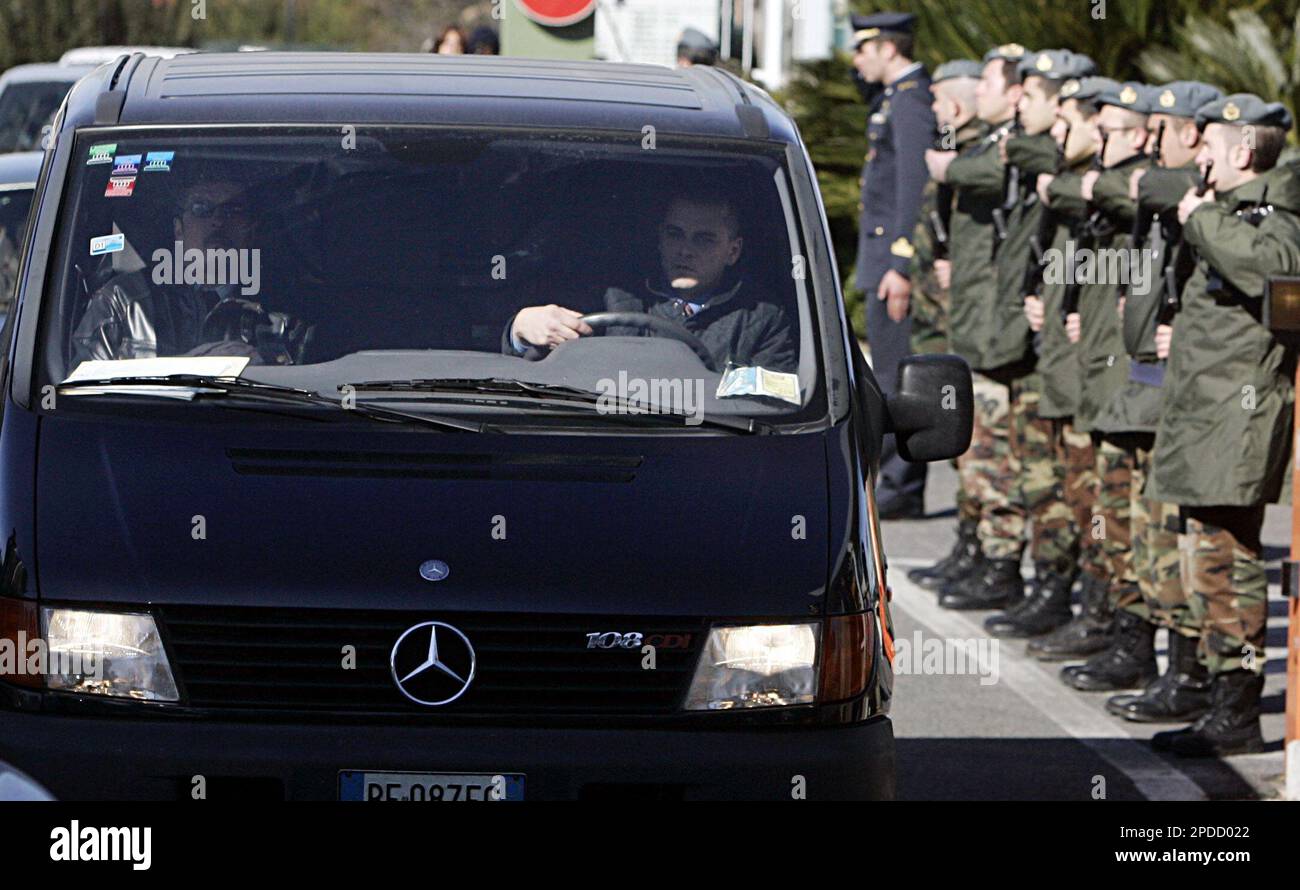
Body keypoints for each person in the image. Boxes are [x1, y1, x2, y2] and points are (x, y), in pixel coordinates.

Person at [1145, 94, 1300, 756]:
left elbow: (1277, 273)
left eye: (1209, 141)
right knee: (1202, 555)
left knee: (1229, 559)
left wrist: (1201, 219)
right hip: (1202, 410)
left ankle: (1236, 710)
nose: (1198, 151)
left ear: (1242, 152)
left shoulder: (1274, 213)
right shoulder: (1231, 210)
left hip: (1237, 412)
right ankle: (1215, 695)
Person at [1095, 82, 1223, 723]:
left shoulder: (1204, 195)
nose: (1150, 143)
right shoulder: (1180, 192)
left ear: (1195, 137)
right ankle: (1158, 655)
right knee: (1147, 531)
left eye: (1161, 130)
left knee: (1177, 538)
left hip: (1182, 391)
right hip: (1145, 379)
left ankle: (1192, 673)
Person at [974, 49, 1098, 632]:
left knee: (1070, 486)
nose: (1018, 105)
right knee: (1038, 474)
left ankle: (1064, 588)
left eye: (1032, 98)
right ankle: (1045, 582)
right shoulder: (1048, 165)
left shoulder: (1068, 164)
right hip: (1033, 339)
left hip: (1060, 353)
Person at [1057, 82, 1159, 693]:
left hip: (1129, 384)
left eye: (1113, 131)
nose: (1099, 141)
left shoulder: (1141, 189)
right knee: (1104, 514)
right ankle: (1115, 627)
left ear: (1143, 136)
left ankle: (1134, 639)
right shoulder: (1112, 188)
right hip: (1099, 378)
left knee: (1128, 522)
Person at [1022, 76, 1122, 662]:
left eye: (1069, 123)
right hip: (1064, 363)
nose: (1057, 133)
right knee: (1073, 495)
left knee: (1099, 508)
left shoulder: (1100, 188)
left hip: (1094, 374)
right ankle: (1077, 602)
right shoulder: (1075, 186)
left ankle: (1104, 619)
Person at [924, 43, 1028, 607]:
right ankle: (976, 549)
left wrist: (951, 164)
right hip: (972, 322)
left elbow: (994, 172)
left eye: (988, 83)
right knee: (974, 452)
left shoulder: (1017, 147)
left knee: (994, 456)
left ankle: (1001, 563)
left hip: (996, 328)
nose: (979, 94)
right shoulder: (988, 142)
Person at [502, 189, 796, 373]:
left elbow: (769, 411)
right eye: (674, 234)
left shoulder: (764, 318)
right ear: (659, 240)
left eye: (704, 239)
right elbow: (535, 365)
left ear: (733, 251)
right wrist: (521, 327)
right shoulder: (607, 296)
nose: (685, 250)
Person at [70, 176, 304, 365]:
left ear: (251, 232)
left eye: (233, 210)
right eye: (202, 208)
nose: (218, 221)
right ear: (178, 229)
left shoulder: (288, 309)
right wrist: (194, 365)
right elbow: (83, 388)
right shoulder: (124, 303)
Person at [850, 11, 936, 519]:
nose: (857, 61)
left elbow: (913, 187)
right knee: (888, 369)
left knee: (897, 373)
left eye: (863, 49)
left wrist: (902, 261)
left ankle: (903, 487)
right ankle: (897, 483)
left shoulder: (910, 101)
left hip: (892, 263)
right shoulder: (893, 99)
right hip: (882, 258)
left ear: (886, 47)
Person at [905, 58, 986, 589]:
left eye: (939, 101)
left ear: (955, 104)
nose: (934, 110)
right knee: (963, 449)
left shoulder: (975, 158)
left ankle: (983, 549)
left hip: (964, 317)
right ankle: (971, 543)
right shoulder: (953, 151)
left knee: (976, 444)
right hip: (940, 314)